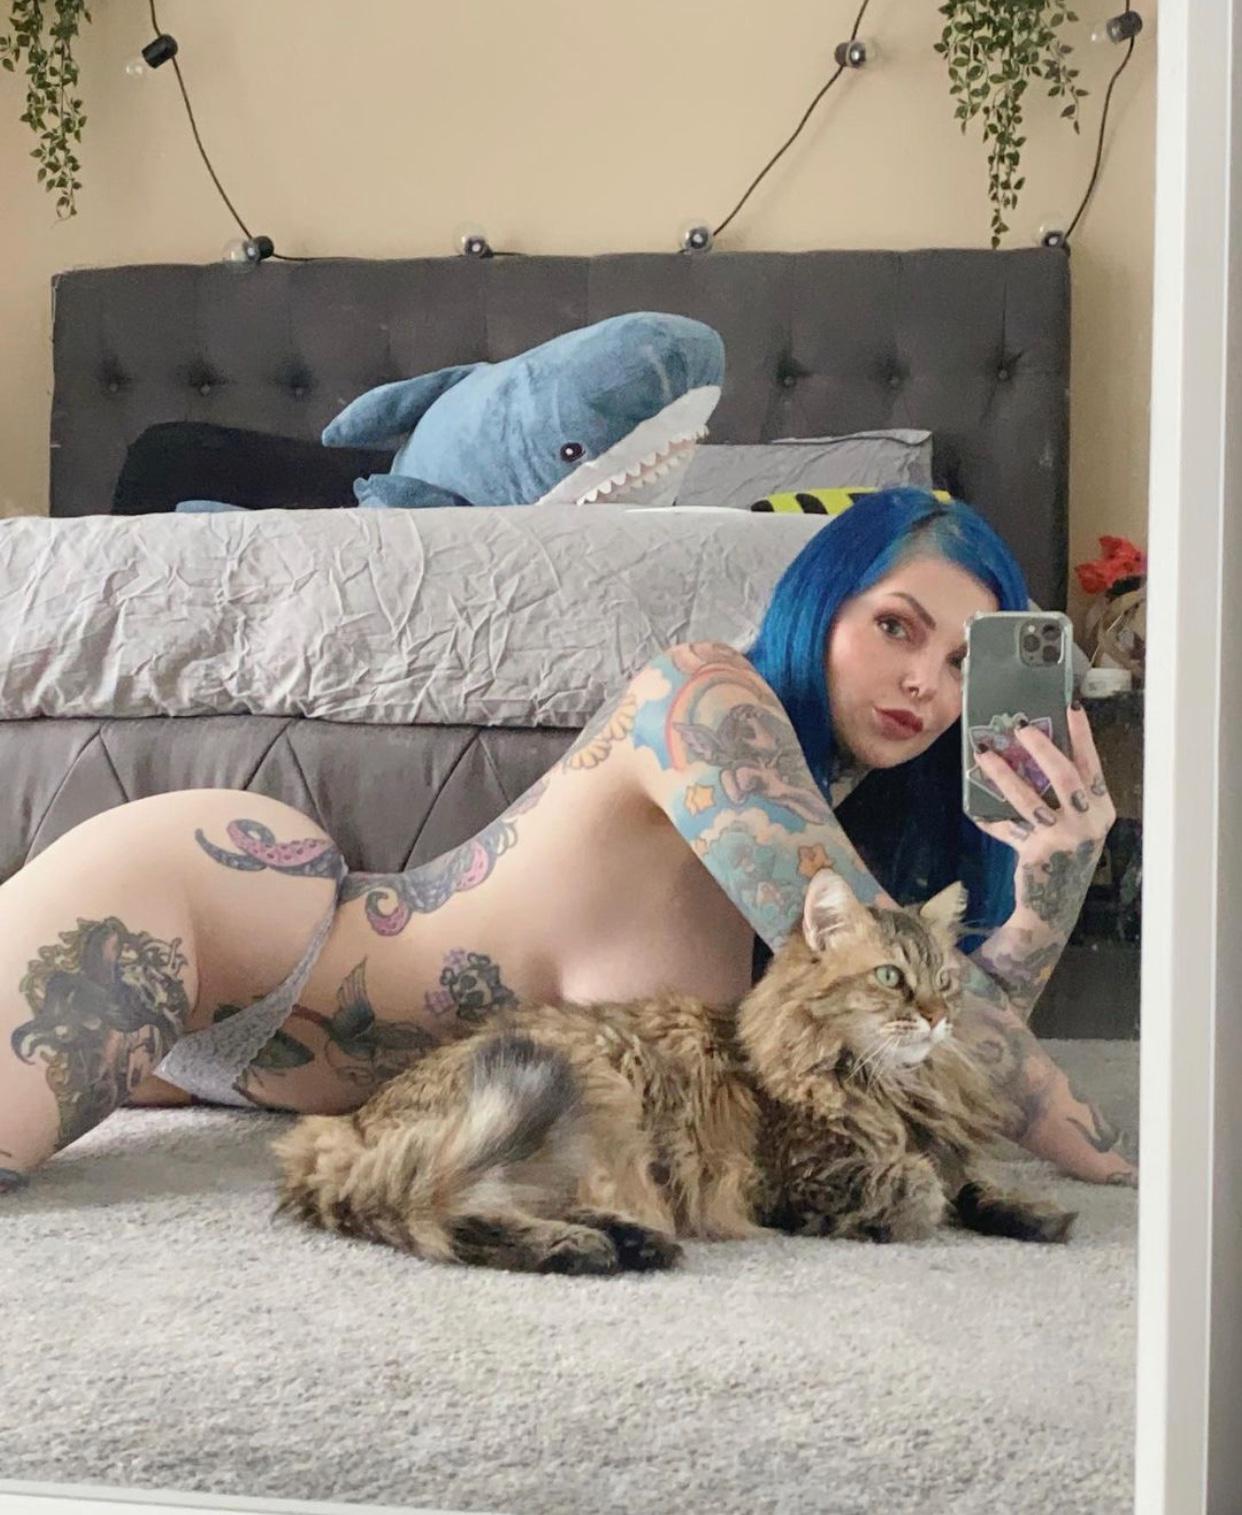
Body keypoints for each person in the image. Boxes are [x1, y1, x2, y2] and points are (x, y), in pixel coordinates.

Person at [0, 488, 1136, 1191]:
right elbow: (999, 1078)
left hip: (258, 1074)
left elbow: (931, 1056)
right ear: (819, 605)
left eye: (962, 662)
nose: (926, 682)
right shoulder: (705, 702)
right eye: (895, 626)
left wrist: (1049, 886)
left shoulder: (842, 862)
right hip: (216, 912)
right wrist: (1114, 1162)